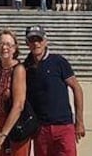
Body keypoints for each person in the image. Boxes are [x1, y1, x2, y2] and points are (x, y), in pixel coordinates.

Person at [23, 25, 85, 156]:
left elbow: (76, 88)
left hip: (64, 125)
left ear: (45, 41)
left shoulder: (58, 61)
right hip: (40, 129)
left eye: (39, 39)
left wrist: (79, 121)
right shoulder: (25, 67)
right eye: (32, 40)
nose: (36, 43)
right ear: (27, 43)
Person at [0, 29, 30, 156]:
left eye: (9, 44)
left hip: (15, 127)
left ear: (15, 48)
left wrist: (3, 135)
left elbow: (18, 105)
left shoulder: (18, 69)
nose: (5, 47)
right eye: (1, 44)